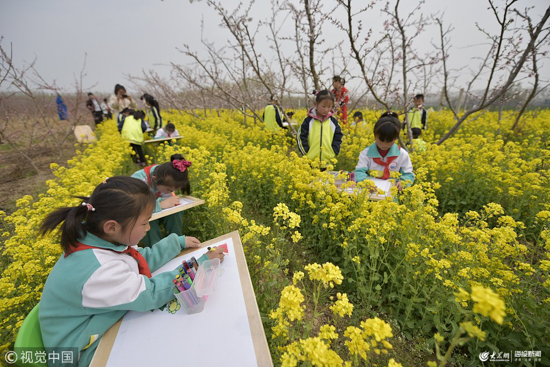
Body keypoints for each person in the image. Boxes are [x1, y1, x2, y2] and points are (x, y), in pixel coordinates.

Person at [38, 176, 224, 367]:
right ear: (112, 226)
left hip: (97, 324)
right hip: (84, 352)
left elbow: (136, 260)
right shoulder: (99, 270)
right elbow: (149, 294)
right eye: (144, 223)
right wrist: (196, 266)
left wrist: (175, 243)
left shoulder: (100, 240)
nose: (149, 228)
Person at [131, 154, 191, 247]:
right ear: (155, 179)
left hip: (154, 209)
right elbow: (135, 209)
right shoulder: (139, 181)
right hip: (140, 213)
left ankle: (176, 241)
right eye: (169, 190)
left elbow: (167, 198)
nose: (171, 192)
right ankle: (156, 248)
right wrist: (161, 205)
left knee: (175, 212)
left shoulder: (166, 176)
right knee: (148, 221)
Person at [354, 112, 414, 192]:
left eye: (389, 141)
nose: (384, 144)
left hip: (392, 196)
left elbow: (408, 174)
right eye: (381, 140)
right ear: (375, 135)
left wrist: (403, 182)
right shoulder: (366, 153)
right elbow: (359, 172)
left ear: (396, 138)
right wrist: (365, 183)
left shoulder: (402, 154)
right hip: (370, 194)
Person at [297, 90, 343, 168]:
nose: (326, 109)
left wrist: (334, 151)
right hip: (310, 163)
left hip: (328, 163)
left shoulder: (333, 122)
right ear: (316, 104)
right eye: (323, 106)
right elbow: (301, 137)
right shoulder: (308, 121)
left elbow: (338, 137)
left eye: (329, 107)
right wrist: (307, 152)